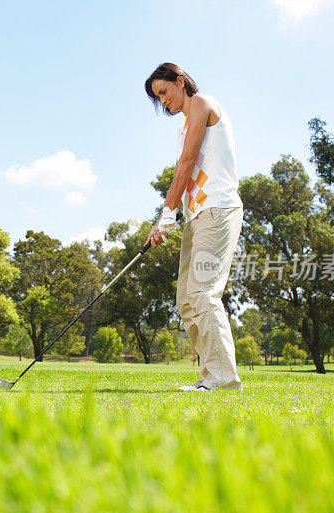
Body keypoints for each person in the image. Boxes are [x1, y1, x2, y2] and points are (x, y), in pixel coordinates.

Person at [144, 62, 243, 391]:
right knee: (187, 300)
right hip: (197, 216)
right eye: (158, 98)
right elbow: (180, 174)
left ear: (181, 81)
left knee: (202, 292)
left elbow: (188, 163)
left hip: (218, 208)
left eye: (164, 92)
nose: (164, 101)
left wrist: (168, 212)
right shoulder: (182, 128)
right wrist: (165, 219)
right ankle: (211, 375)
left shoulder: (202, 103)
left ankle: (223, 379)